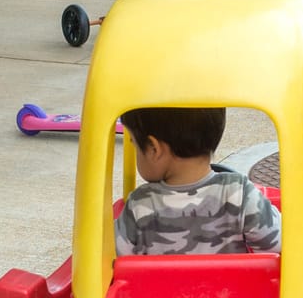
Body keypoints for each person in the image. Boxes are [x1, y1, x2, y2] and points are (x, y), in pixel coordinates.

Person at [115, 106, 282, 256]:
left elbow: (107, 263)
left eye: (135, 145)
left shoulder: (139, 205)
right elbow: (283, 244)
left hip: (162, 291)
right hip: (231, 290)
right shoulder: (240, 194)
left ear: (153, 148)